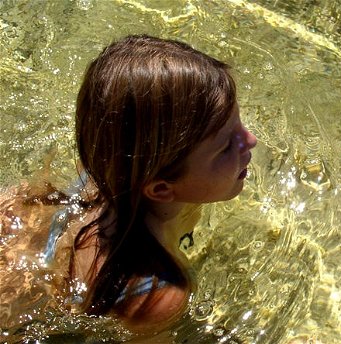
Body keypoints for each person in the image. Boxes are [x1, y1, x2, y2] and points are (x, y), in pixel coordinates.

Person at [9, 34, 257, 332]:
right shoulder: (155, 296)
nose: (250, 140)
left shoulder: (111, 171)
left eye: (239, 125)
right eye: (226, 146)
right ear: (161, 188)